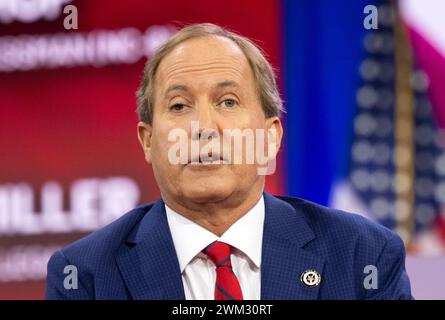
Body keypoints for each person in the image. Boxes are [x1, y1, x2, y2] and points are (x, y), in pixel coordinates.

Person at [45, 23, 412, 300]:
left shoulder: (362, 255)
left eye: (228, 102)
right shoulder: (85, 276)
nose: (204, 128)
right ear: (148, 140)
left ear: (270, 137)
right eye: (178, 106)